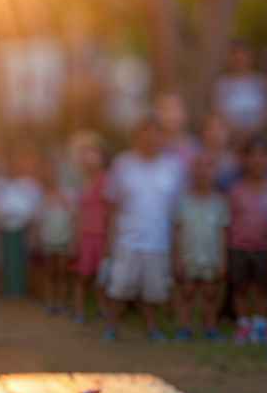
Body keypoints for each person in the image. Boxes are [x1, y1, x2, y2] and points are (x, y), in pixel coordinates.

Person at [103, 118, 184, 340]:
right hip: (126, 240)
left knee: (153, 291)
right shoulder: (122, 164)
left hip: (159, 241)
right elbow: (112, 206)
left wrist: (177, 248)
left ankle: (152, 328)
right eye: (145, 134)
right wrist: (109, 242)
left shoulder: (173, 167)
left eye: (156, 134)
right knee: (119, 288)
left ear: (162, 138)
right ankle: (111, 327)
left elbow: (176, 211)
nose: (150, 139)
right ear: (136, 137)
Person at [172, 153, 229, 340]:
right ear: (193, 172)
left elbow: (223, 233)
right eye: (199, 167)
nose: (203, 172)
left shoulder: (220, 202)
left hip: (211, 256)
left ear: (214, 172)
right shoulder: (183, 201)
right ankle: (184, 327)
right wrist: (177, 258)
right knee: (186, 292)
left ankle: (210, 328)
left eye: (208, 167)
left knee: (210, 294)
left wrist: (223, 261)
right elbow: (177, 231)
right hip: (188, 255)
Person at [228, 139, 267, 345]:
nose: (257, 160)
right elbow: (229, 221)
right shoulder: (236, 189)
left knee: (262, 288)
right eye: (252, 155)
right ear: (245, 160)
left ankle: (261, 324)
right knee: (241, 288)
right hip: (238, 246)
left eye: (262, 155)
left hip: (264, 247)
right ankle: (243, 324)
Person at [0, 149, 42, 298]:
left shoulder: (29, 184)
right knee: (6, 258)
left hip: (22, 226)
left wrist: (29, 220)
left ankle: (20, 288)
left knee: (20, 259)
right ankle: (8, 288)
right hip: (4, 226)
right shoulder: (0, 184)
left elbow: (34, 206)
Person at [72, 138, 110, 324]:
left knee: (102, 276)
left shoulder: (108, 179)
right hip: (85, 235)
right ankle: (79, 311)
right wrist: (76, 237)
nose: (90, 159)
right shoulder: (82, 181)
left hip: (103, 234)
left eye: (94, 155)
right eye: (87, 156)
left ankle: (103, 309)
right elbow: (79, 212)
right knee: (83, 275)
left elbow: (111, 209)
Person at [35, 161, 75, 315]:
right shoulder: (42, 196)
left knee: (62, 273)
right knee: (49, 272)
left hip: (64, 237)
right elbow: (39, 219)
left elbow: (72, 217)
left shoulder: (67, 195)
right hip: (48, 238)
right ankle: (50, 303)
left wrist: (73, 238)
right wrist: (38, 237)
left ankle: (62, 303)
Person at [214, 41, 267, 140]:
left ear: (251, 57)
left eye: (244, 55)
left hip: (258, 136)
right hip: (230, 136)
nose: (240, 59)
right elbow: (218, 111)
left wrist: (252, 131)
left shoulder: (262, 82)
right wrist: (235, 131)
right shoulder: (222, 84)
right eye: (236, 56)